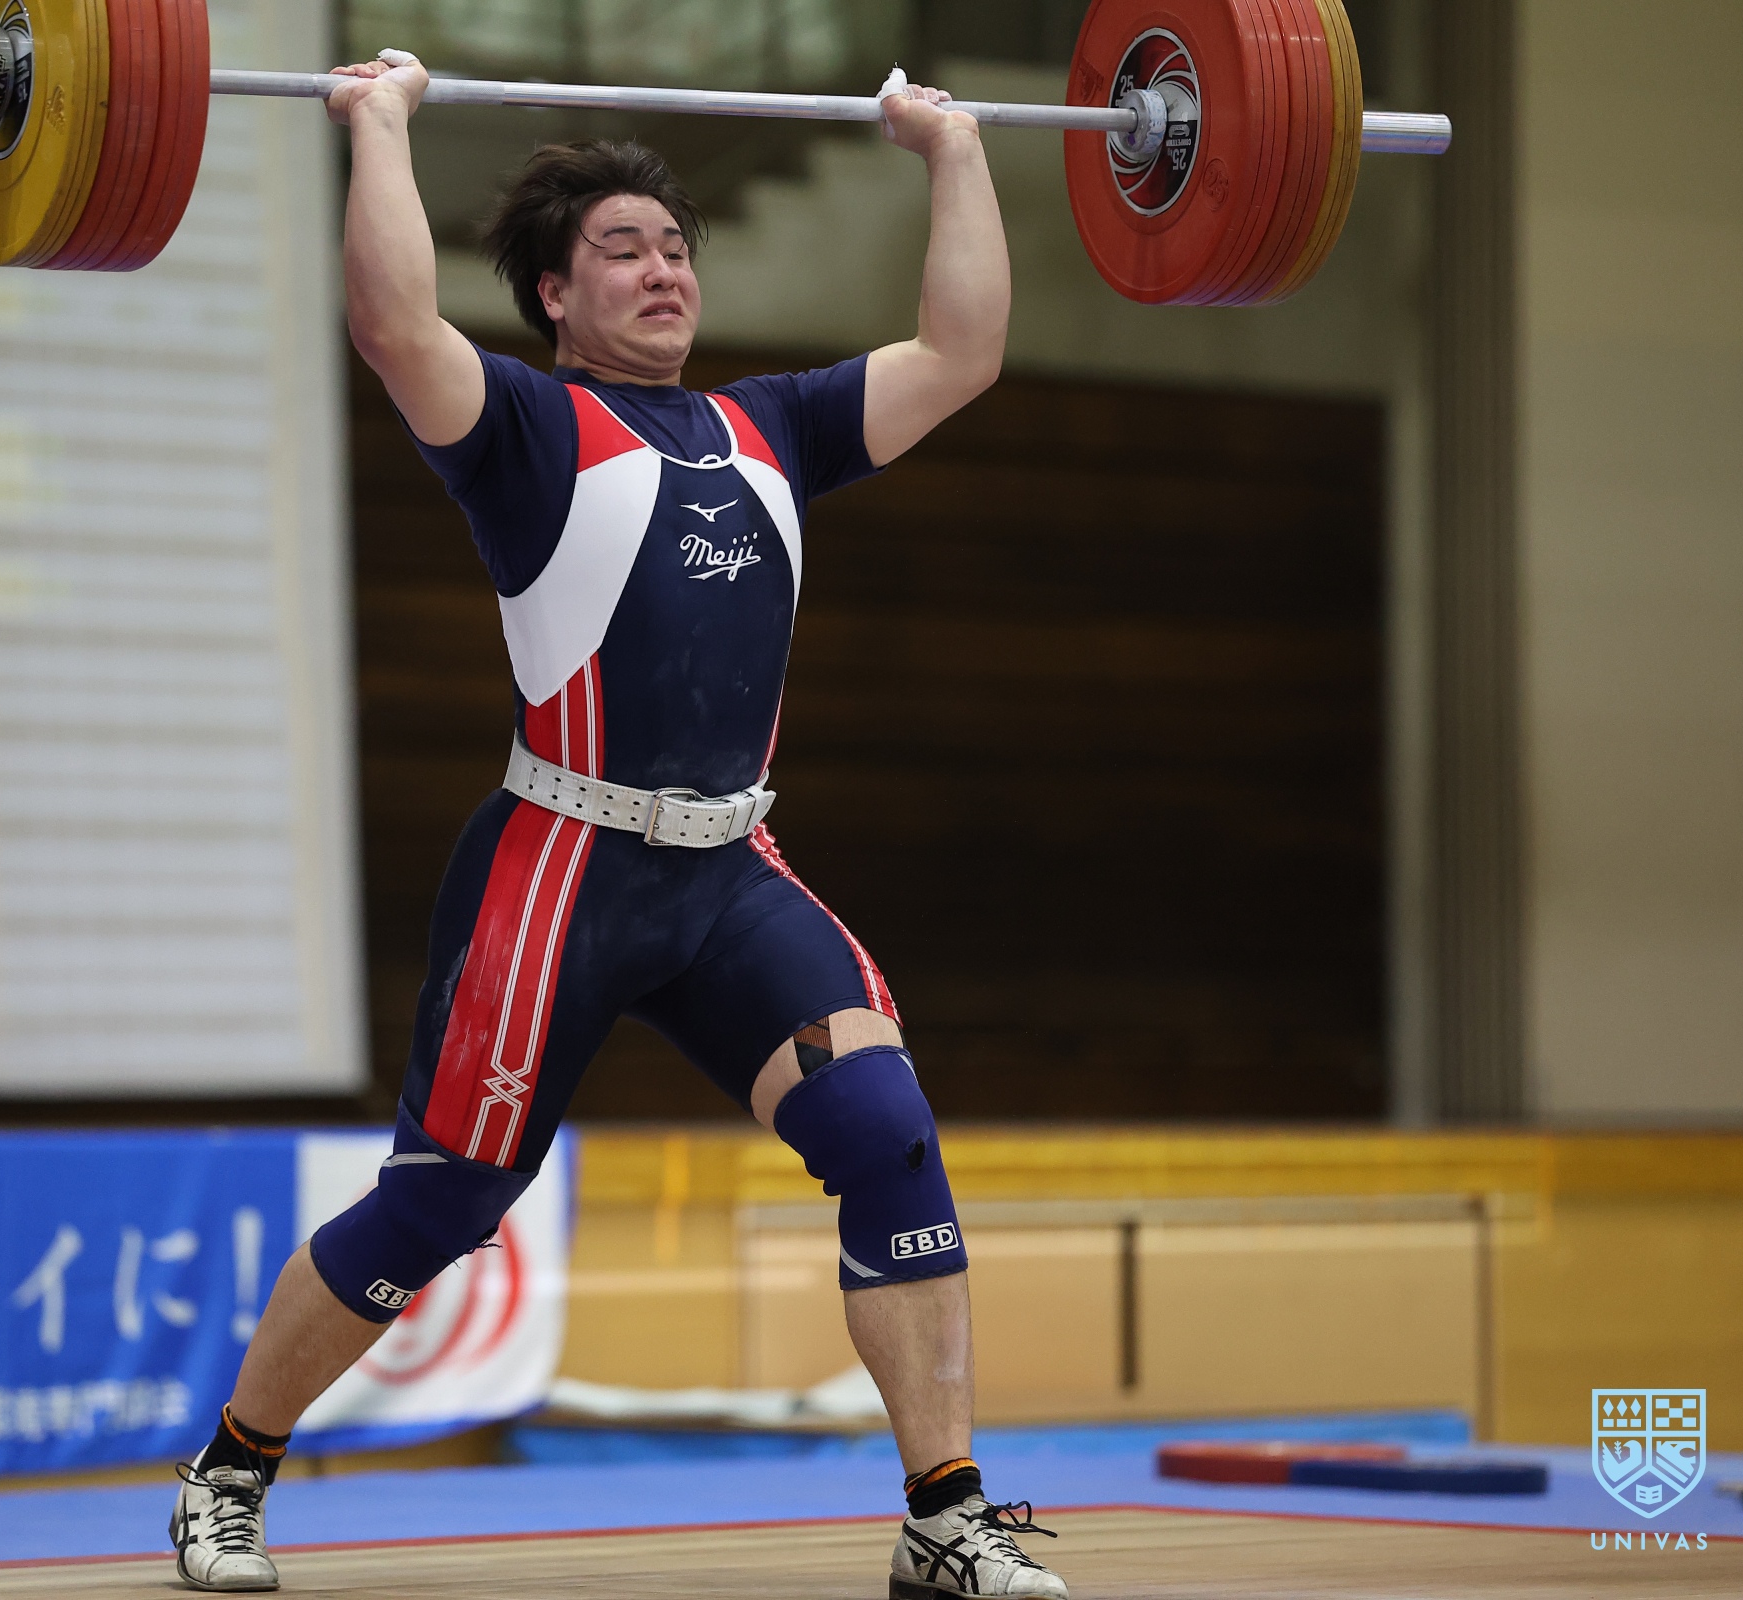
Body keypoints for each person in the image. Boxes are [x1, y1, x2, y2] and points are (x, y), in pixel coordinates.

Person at [170, 48, 1066, 1600]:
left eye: (675, 247)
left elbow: (962, 349)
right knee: (446, 1198)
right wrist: (377, 125)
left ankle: (945, 1516)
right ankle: (228, 1477)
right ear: (555, 296)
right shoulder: (526, 432)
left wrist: (955, 150)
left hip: (729, 874)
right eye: (623, 250)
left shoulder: (777, 426)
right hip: (560, 869)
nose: (663, 270)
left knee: (885, 1135)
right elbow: (393, 325)